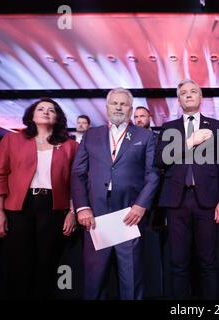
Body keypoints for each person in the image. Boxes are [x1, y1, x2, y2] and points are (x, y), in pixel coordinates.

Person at [71, 88, 159, 300]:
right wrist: (82, 207)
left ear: (130, 109)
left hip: (128, 213)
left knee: (131, 276)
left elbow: (153, 174)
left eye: (124, 104)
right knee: (95, 276)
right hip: (95, 213)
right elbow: (78, 173)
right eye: (114, 103)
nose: (119, 107)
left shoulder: (145, 136)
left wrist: (141, 205)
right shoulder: (91, 135)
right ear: (107, 107)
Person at [0, 98, 78, 299]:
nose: (46, 112)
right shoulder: (13, 140)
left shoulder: (70, 145)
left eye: (51, 110)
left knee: (47, 264)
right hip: (18, 208)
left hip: (54, 209)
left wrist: (73, 212)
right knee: (18, 265)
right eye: (41, 108)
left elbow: (77, 183)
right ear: (32, 115)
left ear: (58, 117)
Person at [154, 79, 219, 299]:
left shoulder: (215, 126)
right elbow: (160, 160)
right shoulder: (169, 128)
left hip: (207, 201)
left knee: (208, 262)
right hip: (176, 202)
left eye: (193, 91)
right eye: (184, 93)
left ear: (201, 97)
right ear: (178, 100)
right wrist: (190, 142)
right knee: (178, 263)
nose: (188, 95)